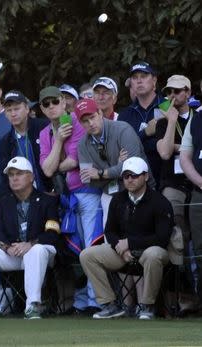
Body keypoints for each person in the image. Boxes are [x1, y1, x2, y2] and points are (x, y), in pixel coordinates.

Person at [80, 157, 174, 320]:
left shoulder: (160, 202)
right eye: (126, 176)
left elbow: (162, 238)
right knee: (87, 255)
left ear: (145, 176)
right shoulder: (118, 199)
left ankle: (147, 306)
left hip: (151, 251)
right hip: (123, 253)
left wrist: (129, 243)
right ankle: (110, 305)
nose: (130, 180)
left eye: (134, 175)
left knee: (153, 255)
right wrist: (119, 247)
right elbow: (109, 231)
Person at [38, 87, 103, 312]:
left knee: (92, 247)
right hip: (67, 198)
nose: (51, 106)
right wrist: (58, 142)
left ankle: (98, 301)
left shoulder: (78, 121)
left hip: (88, 191)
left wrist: (56, 161)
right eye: (45, 104)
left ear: (64, 102)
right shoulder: (45, 133)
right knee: (77, 250)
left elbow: (74, 161)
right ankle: (88, 299)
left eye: (55, 101)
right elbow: (47, 171)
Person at [0, 156, 64, 319]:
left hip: (42, 252)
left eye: (19, 173)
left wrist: (30, 244)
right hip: (15, 253)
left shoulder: (47, 200)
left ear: (31, 177)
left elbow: (53, 233)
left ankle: (32, 305)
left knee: (36, 250)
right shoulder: (3, 202)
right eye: (11, 175)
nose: (14, 178)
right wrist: (7, 247)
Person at [76, 98, 154, 226]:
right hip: (110, 193)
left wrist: (100, 174)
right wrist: (118, 168)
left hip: (140, 189)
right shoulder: (82, 145)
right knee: (111, 240)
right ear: (80, 123)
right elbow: (88, 181)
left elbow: (133, 170)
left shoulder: (123, 129)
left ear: (100, 113)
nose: (90, 123)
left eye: (92, 117)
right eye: (85, 121)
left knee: (140, 234)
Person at [157, 74, 197, 311]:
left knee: (197, 241)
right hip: (173, 185)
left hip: (196, 184)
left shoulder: (198, 117)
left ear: (188, 93)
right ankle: (181, 295)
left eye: (178, 91)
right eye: (169, 92)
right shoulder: (164, 121)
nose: (173, 96)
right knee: (177, 239)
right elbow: (163, 152)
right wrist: (171, 121)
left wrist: (178, 147)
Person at [118, 61, 165, 186]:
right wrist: (146, 132)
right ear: (131, 84)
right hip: (135, 180)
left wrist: (140, 142)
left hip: (166, 176)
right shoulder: (125, 114)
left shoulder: (167, 106)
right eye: (135, 78)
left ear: (154, 80)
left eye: (143, 76)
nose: (139, 81)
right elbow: (123, 149)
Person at [0, 90, 49, 193]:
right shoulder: (5, 142)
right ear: (5, 114)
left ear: (27, 109)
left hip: (49, 192)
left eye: (17, 109)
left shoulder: (44, 127)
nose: (13, 113)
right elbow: (6, 176)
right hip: (23, 197)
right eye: (9, 110)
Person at [180, 100, 202, 304]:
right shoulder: (197, 118)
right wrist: (200, 181)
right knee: (200, 247)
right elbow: (185, 156)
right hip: (199, 191)